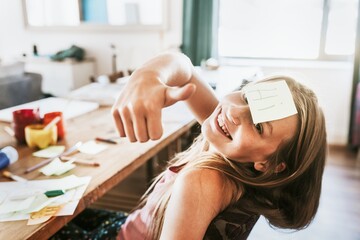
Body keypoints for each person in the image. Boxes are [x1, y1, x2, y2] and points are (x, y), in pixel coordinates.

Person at [51, 52, 327, 240]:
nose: (234, 111)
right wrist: (147, 74)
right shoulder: (232, 145)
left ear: (270, 163)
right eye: (246, 96)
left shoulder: (203, 179)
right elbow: (183, 69)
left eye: (258, 126)